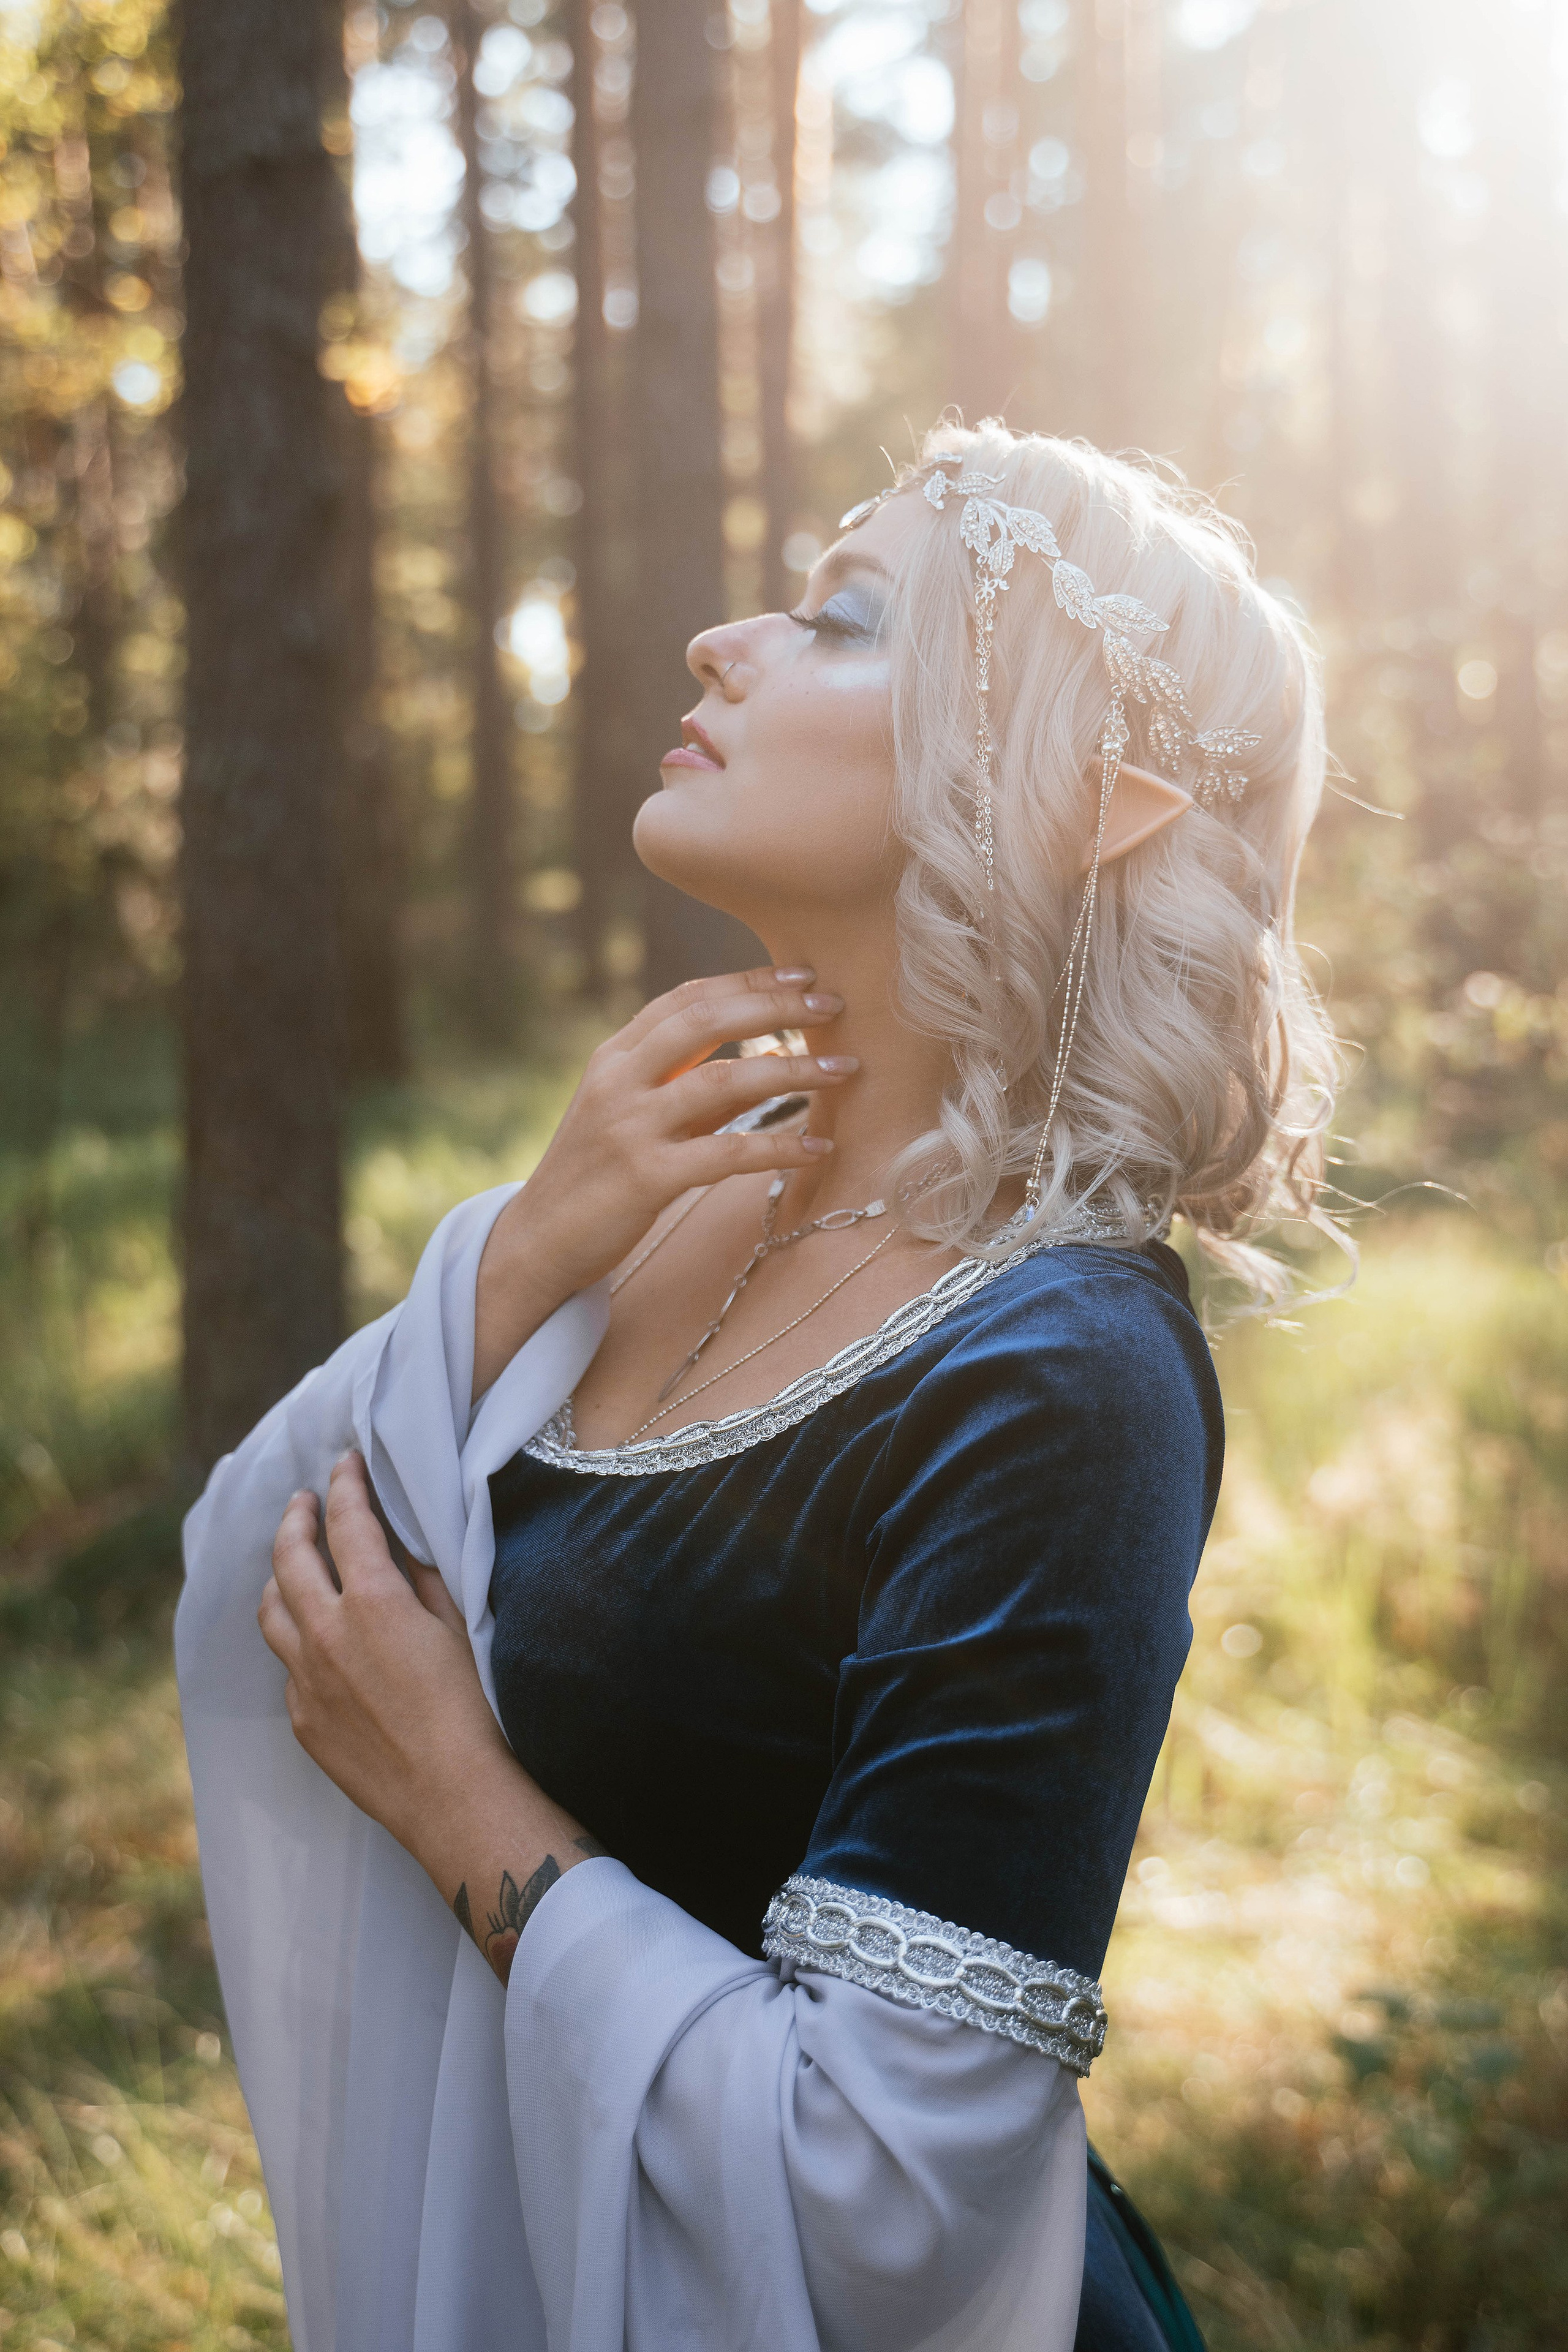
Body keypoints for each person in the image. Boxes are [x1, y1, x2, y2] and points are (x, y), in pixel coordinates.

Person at [176, 422, 1341, 2352]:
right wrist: (531, 1240)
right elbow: (256, 1583)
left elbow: (883, 2200)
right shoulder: (652, 1203)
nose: (725, 642)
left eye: (842, 618)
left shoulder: (1063, 1380)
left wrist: (465, 1804)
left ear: (1083, 795)